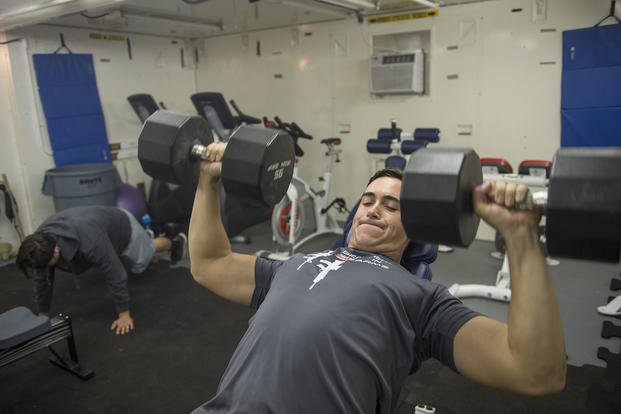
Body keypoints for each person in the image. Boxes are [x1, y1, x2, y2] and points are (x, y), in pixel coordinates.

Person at [188, 142, 566, 413]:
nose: (372, 210)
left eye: (391, 206)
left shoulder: (420, 299)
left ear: (415, 224)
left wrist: (521, 236)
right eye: (367, 201)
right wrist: (208, 181)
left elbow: (536, 372)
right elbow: (209, 263)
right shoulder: (295, 264)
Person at [16, 205, 187, 335]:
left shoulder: (89, 240)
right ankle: (146, 235)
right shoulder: (39, 243)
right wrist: (43, 314)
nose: (43, 270)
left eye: (47, 265)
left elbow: (116, 273)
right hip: (97, 225)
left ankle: (174, 242)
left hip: (122, 227)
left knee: (145, 257)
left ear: (56, 250)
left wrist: (124, 314)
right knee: (104, 254)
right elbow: (42, 279)